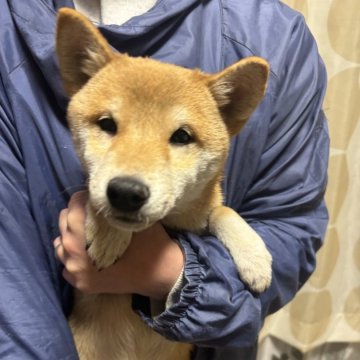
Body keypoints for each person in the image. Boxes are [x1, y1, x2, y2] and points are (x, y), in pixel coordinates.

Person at [0, 0, 329, 359]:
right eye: (109, 125)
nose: (133, 171)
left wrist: (167, 271)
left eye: (181, 137)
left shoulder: (275, 35)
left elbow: (287, 228)